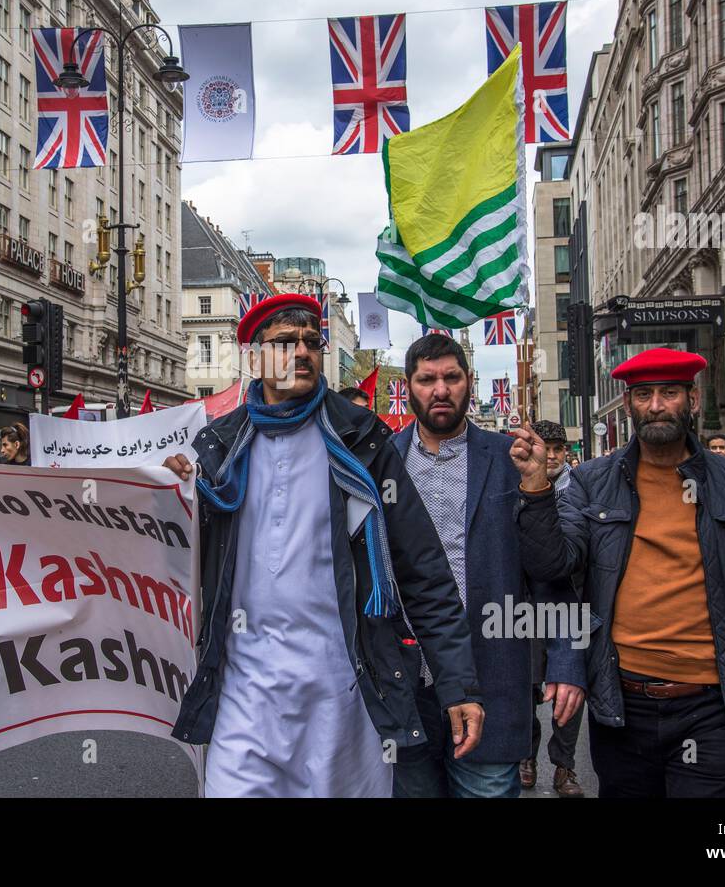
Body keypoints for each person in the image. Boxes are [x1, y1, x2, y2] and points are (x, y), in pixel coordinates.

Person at [161, 294, 484, 797]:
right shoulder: (218, 447)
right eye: (285, 342)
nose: (303, 352)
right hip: (245, 690)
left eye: (312, 341)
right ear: (254, 358)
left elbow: (422, 570)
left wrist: (457, 684)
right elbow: (170, 559)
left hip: (342, 689)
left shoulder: (361, 443)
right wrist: (169, 496)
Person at [510, 347, 725, 798]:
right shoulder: (593, 482)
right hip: (622, 704)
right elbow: (552, 563)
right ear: (629, 406)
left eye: (669, 392)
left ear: (693, 400)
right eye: (644, 394)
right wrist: (536, 488)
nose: (657, 405)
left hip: (713, 706)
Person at [387, 339, 583, 800]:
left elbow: (548, 571)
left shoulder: (511, 459)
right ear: (408, 387)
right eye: (427, 379)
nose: (440, 390)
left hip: (490, 680)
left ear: (469, 384)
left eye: (451, 378)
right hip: (405, 688)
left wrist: (568, 658)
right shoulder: (382, 460)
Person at [519, 419, 586, 797]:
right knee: (526, 686)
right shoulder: (518, 486)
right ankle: (526, 756)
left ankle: (564, 766)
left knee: (570, 691)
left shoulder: (581, 490)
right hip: (524, 607)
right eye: (547, 448)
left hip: (571, 604)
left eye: (559, 449)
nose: (553, 456)